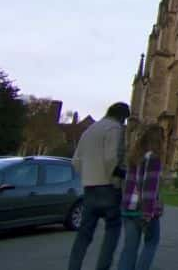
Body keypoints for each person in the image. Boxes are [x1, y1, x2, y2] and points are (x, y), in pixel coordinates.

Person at [68, 102, 129, 270]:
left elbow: (76, 161)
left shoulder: (90, 130)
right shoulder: (114, 128)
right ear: (121, 116)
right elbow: (111, 158)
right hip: (108, 188)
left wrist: (88, 177)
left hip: (89, 188)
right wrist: (120, 176)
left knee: (84, 234)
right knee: (112, 230)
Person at [118, 124, 164, 270]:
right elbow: (149, 189)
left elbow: (129, 183)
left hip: (128, 208)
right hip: (143, 210)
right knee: (151, 243)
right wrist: (147, 214)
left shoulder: (134, 157)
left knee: (129, 249)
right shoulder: (154, 159)